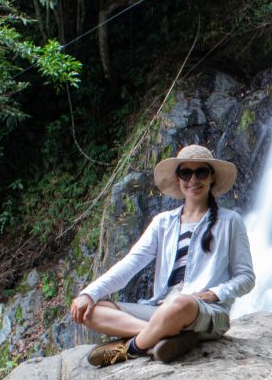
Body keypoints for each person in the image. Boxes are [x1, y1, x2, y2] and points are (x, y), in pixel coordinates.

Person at [69, 145, 255, 366]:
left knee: (179, 304)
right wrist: (90, 293)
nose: (193, 179)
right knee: (91, 311)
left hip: (205, 312)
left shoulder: (230, 221)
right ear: (178, 179)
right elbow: (131, 263)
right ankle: (165, 338)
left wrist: (214, 293)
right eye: (186, 173)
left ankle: (129, 349)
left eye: (201, 172)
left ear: (212, 177)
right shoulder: (163, 222)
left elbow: (246, 277)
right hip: (160, 309)